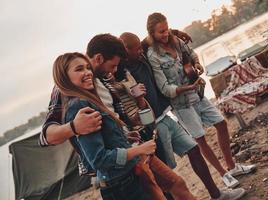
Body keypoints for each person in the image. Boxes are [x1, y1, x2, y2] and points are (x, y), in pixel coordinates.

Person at [52, 52, 197, 200]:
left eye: (88, 68)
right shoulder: (79, 106)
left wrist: (122, 137)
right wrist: (138, 149)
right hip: (120, 184)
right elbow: (99, 160)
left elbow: (103, 139)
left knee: (174, 185)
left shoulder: (89, 98)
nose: (88, 72)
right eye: (79, 69)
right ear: (64, 77)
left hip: (128, 173)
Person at [118, 32, 246, 199]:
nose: (141, 51)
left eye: (140, 47)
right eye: (136, 50)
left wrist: (175, 32)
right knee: (164, 171)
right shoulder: (121, 74)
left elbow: (153, 35)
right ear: (125, 51)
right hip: (150, 125)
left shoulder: (143, 57)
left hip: (165, 115)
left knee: (193, 150)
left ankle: (217, 195)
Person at [146, 12, 256, 189]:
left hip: (197, 93)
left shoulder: (176, 40)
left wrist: (197, 64)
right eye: (161, 32)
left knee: (221, 124)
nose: (166, 34)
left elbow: (192, 55)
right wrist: (185, 88)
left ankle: (232, 167)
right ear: (152, 33)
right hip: (181, 104)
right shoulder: (153, 56)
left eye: (166, 29)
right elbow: (165, 89)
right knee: (201, 139)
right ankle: (224, 174)